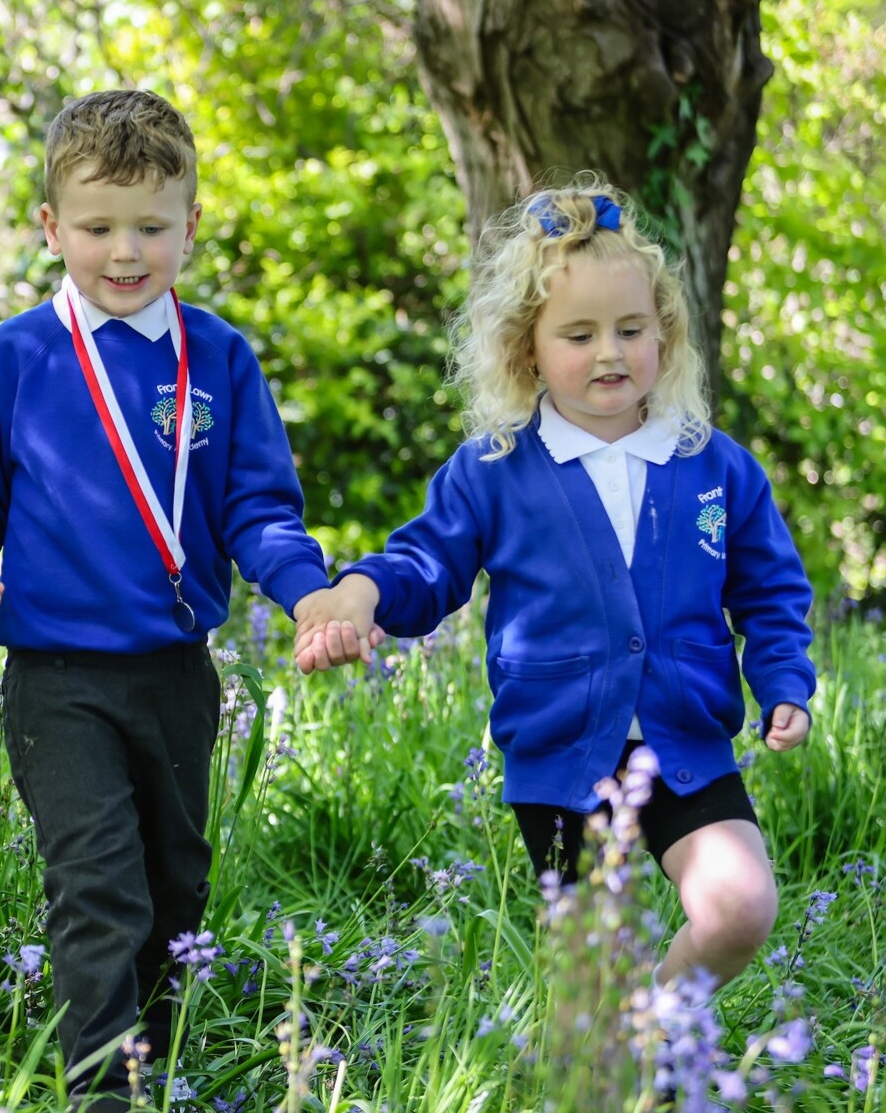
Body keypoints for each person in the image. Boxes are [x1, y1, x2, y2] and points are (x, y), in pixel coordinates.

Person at [0, 89, 346, 1111]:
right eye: (97, 226)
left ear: (190, 224)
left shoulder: (220, 361)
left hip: (174, 676)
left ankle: (145, 1074)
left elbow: (260, 512)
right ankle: (97, 1096)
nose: (124, 251)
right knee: (98, 886)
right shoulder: (15, 357)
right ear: (50, 227)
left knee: (171, 894)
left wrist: (310, 598)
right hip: (55, 681)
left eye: (150, 227)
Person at [297, 179, 815, 994]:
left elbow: (771, 592)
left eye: (631, 330)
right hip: (562, 753)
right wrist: (359, 593)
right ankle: (617, 1065)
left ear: (665, 334)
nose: (609, 352)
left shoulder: (713, 465)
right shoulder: (495, 471)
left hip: (687, 746)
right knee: (588, 993)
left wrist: (784, 681)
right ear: (526, 348)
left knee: (740, 905)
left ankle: (658, 1042)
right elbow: (425, 564)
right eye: (579, 334)